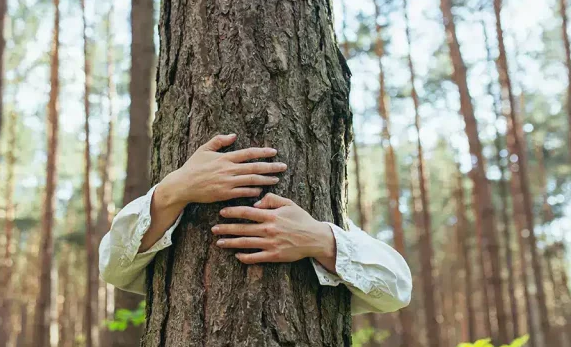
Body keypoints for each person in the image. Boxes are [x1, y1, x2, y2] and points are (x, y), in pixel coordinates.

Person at [100, 134, 412, 314]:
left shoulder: (335, 226)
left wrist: (320, 240)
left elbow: (397, 289)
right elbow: (112, 265)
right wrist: (172, 192)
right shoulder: (158, 216)